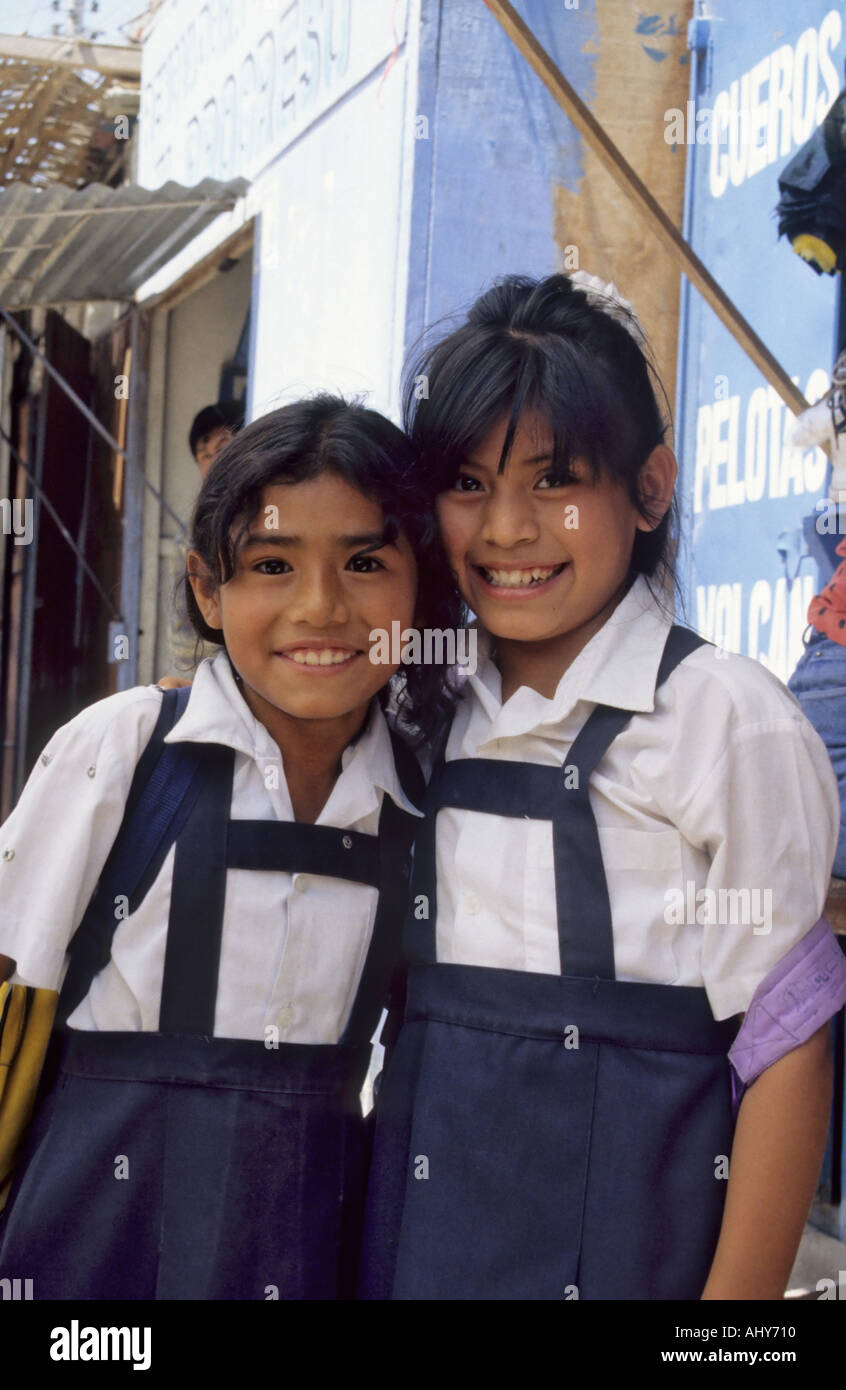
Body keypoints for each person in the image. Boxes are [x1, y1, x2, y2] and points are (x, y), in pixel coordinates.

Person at [359, 272, 846, 1301]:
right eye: (467, 482)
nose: (506, 530)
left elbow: (788, 1048)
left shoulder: (726, 721)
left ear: (652, 487)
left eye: (555, 479)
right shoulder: (418, 704)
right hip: (421, 1249)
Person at [0, 394, 460, 1300]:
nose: (320, 607)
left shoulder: (419, 807)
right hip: (85, 1255)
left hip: (294, 1246)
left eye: (365, 562)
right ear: (209, 589)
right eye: (272, 565)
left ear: (422, 589)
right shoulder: (127, 753)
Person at [168, 401, 246, 673]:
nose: (215, 462)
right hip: (218, 669)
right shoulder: (193, 533)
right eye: (205, 455)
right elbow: (184, 627)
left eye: (223, 449)